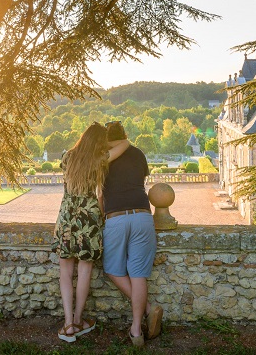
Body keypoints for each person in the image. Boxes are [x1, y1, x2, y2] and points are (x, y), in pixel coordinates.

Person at [52, 122, 130, 343]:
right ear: (99, 142)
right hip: (89, 218)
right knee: (85, 271)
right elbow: (125, 143)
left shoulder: (67, 157)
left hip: (67, 217)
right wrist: (108, 142)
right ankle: (78, 321)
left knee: (65, 272)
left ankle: (68, 325)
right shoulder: (99, 160)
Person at [100, 121, 163, 347]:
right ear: (124, 134)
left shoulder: (103, 157)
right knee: (138, 275)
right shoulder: (138, 154)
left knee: (112, 269)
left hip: (116, 215)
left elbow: (100, 193)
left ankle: (149, 310)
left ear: (106, 138)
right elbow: (140, 182)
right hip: (142, 214)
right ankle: (136, 330)